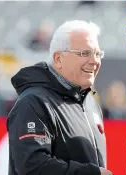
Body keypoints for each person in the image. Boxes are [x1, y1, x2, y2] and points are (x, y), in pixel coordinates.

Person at [7, 20, 112, 175]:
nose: (94, 61)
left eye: (98, 54)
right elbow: (32, 166)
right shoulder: (33, 102)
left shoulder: (90, 102)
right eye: (84, 53)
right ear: (57, 58)